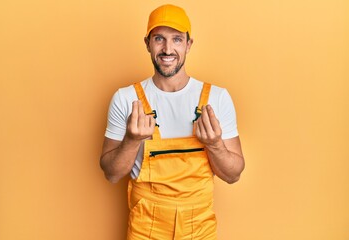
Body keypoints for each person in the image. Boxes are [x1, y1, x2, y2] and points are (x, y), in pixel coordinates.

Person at [100, 4, 245, 240]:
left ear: (189, 44)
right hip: (145, 228)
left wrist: (215, 144)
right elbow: (111, 174)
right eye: (159, 38)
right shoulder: (126, 98)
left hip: (200, 228)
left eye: (177, 39)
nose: (168, 49)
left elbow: (233, 175)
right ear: (147, 43)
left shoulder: (217, 98)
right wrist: (132, 140)